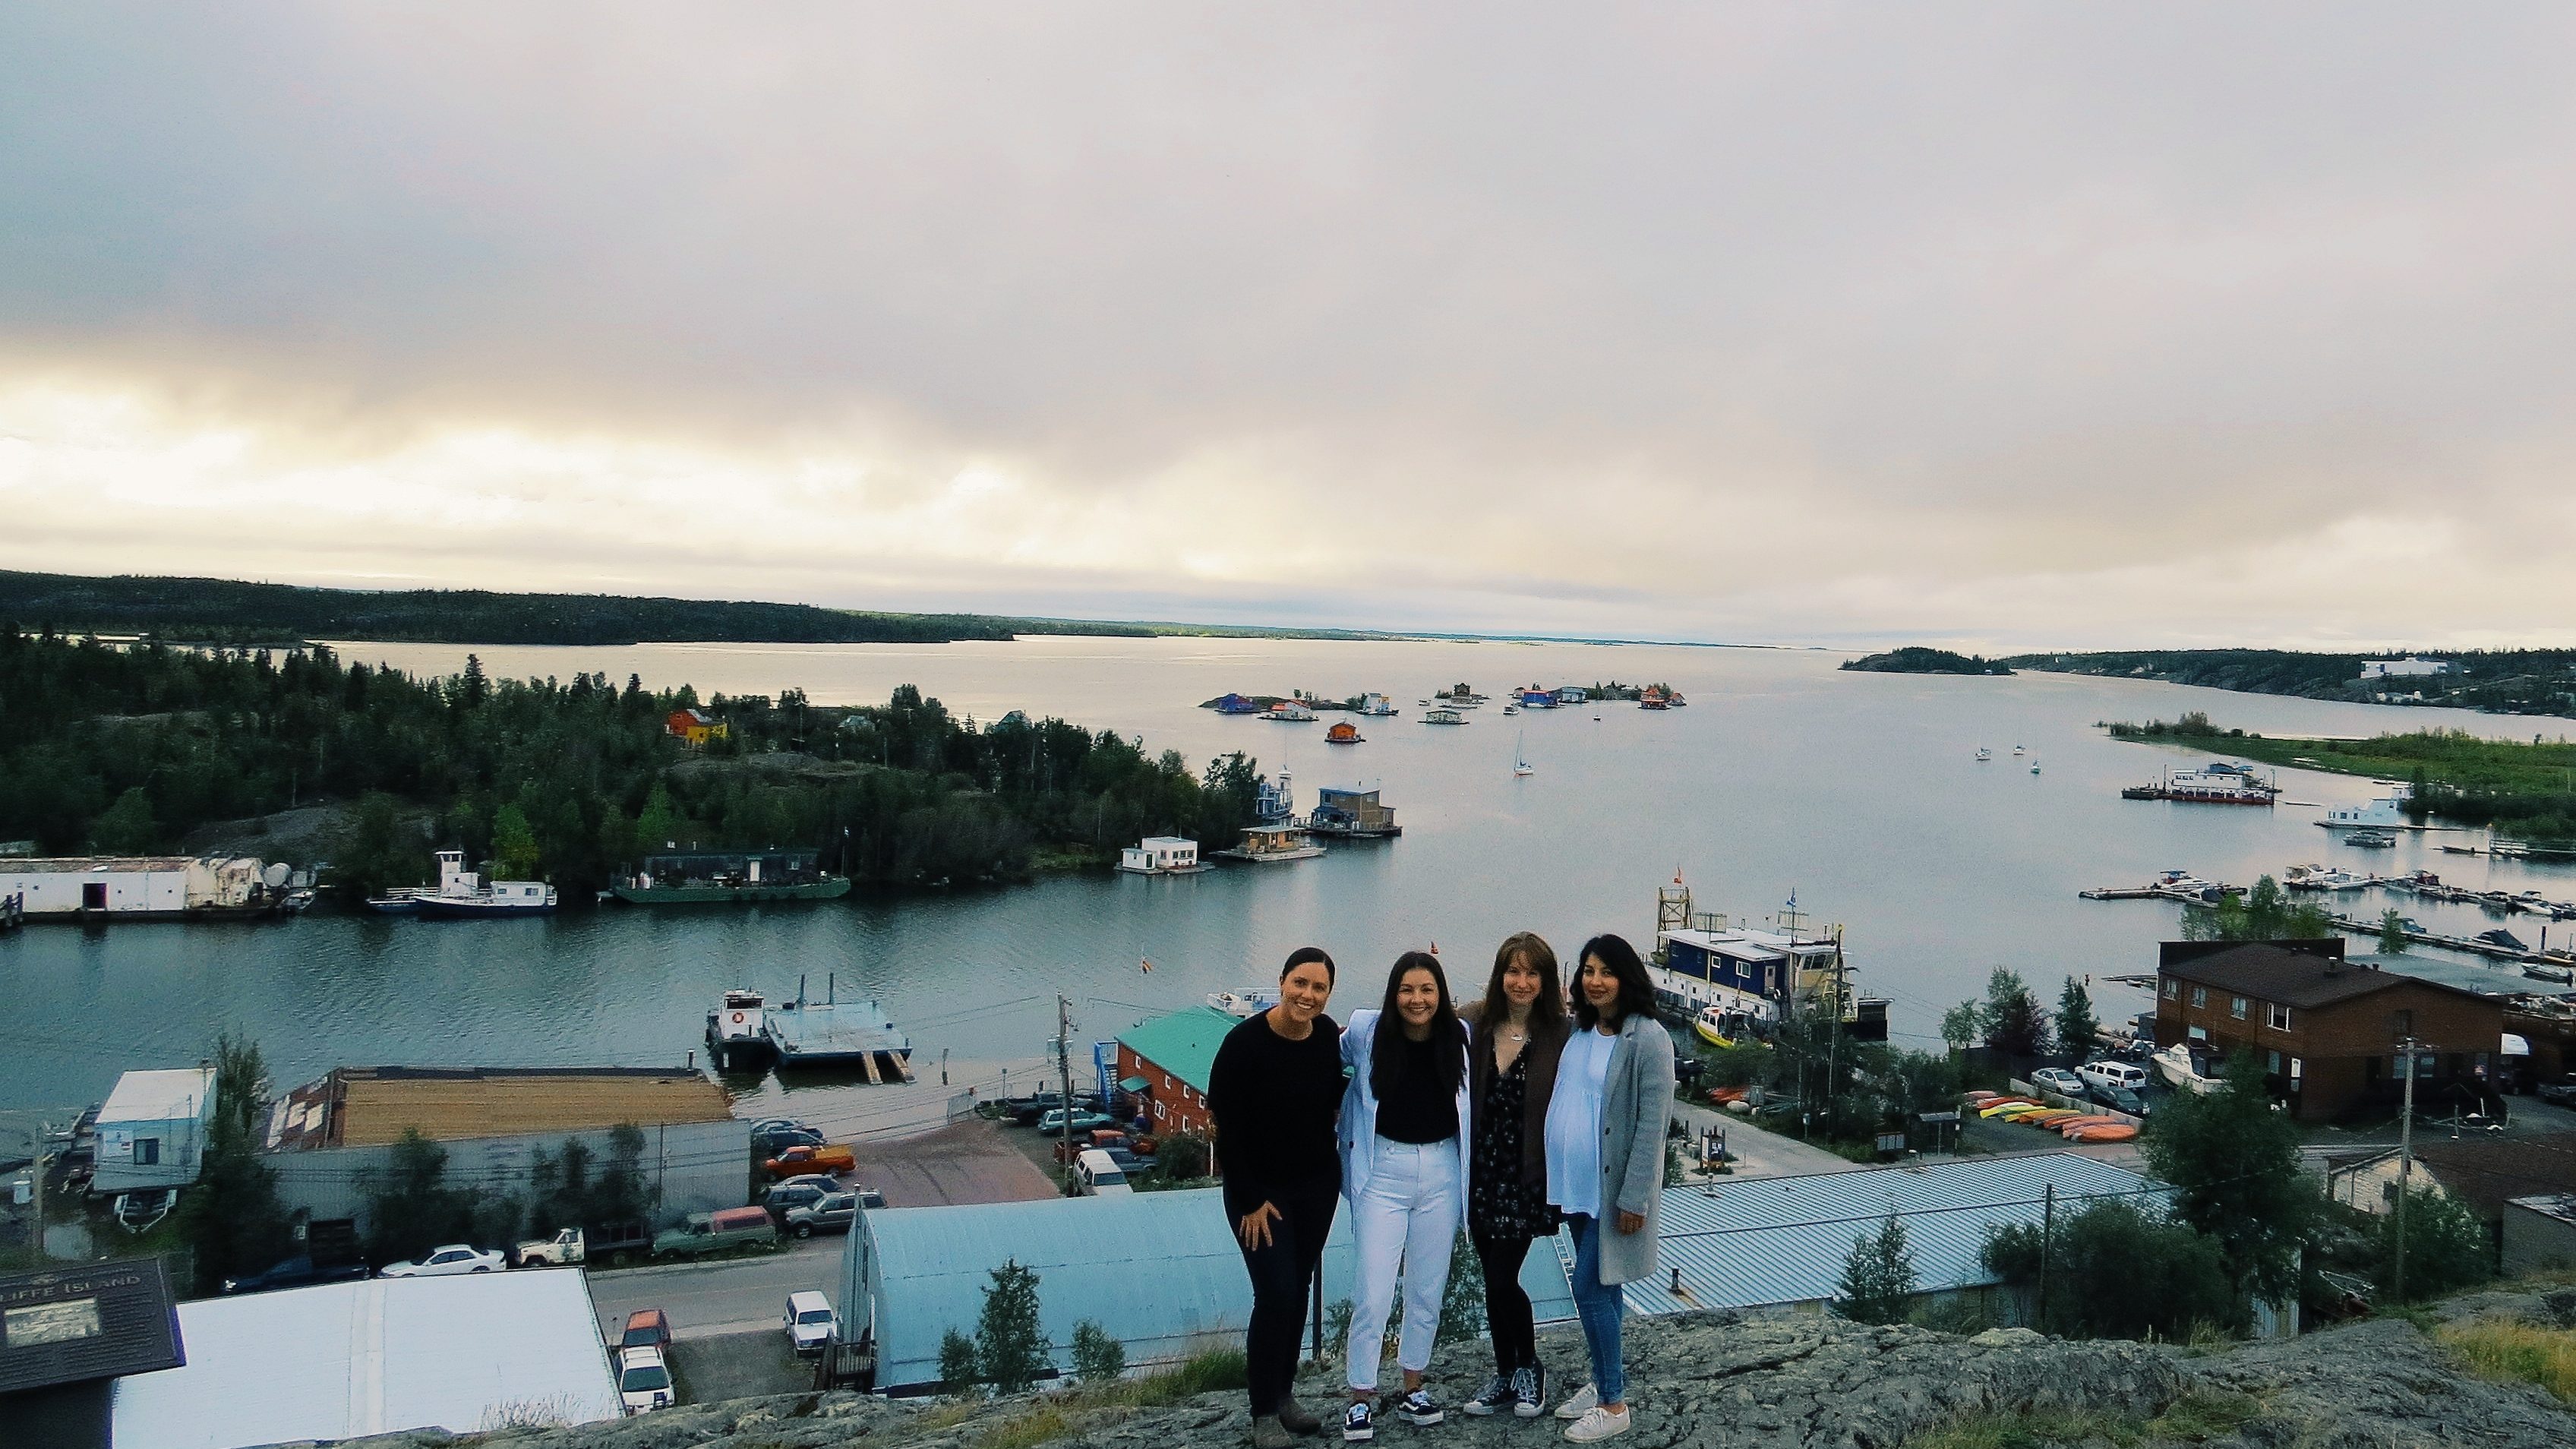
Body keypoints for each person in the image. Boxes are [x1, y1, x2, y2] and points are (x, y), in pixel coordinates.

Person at [1209, 947, 1346, 1449]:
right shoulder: (1244, 1044)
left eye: (1319, 988)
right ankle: (1263, 1410)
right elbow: (1227, 1128)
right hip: (1259, 1193)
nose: (1308, 995)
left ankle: (1285, 1393)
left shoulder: (1328, 1035)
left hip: (1315, 1184)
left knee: (1300, 1285)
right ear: (1282, 981)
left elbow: (1333, 1096)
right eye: (1300, 983)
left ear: (1329, 994)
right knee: (1276, 1293)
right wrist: (1247, 1199)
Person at [1542, 933, 1674, 1443]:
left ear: (1627, 978)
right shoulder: (1579, 1030)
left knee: (1590, 1288)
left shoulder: (1648, 1039)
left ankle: (1615, 1404)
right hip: (1575, 1184)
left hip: (1611, 1189)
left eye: (1606, 972)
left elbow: (1652, 1126)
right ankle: (1601, 1384)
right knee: (1607, 1287)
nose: (1595, 981)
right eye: (1588, 971)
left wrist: (1635, 1198)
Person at [1335, 951, 1472, 1442]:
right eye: (1407, 990)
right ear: (1394, 994)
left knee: (1426, 1291)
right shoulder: (1366, 1032)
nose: (1417, 1000)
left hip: (1441, 1171)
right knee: (1373, 1292)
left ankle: (1414, 1385)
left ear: (1441, 995)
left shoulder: (1460, 1040)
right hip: (1383, 1172)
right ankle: (1360, 1397)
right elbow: (1320, 1061)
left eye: (1427, 990)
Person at [1456, 932, 1571, 1420]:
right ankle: (1506, 1375)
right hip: (1479, 1174)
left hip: (1526, 1178)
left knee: (1504, 1277)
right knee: (1492, 1277)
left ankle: (1529, 1368)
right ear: (1500, 974)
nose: (1521, 983)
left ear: (1545, 980)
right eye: (1513, 971)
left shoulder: (1562, 1035)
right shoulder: (1474, 1024)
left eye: (1532, 972)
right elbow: (1412, 1026)